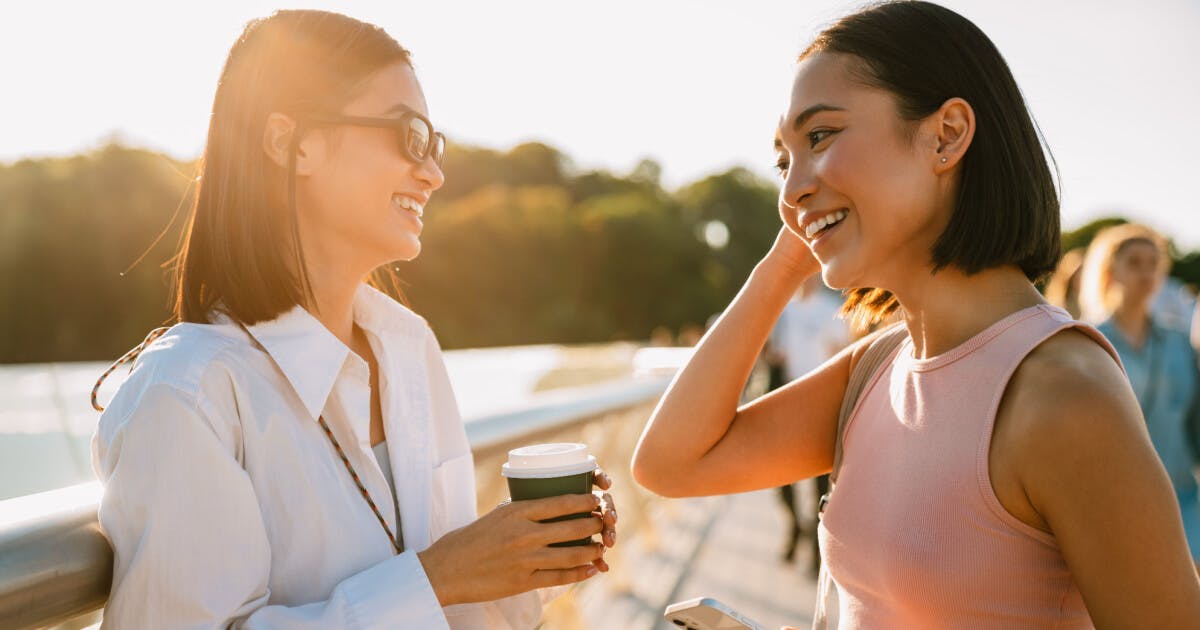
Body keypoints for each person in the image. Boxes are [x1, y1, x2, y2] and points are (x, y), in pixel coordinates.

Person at [631, 2, 1200, 627]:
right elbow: (669, 463)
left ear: (946, 134)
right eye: (783, 161)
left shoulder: (1061, 393)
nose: (790, 190)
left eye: (819, 137)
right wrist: (784, 261)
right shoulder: (878, 367)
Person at [90, 10, 616, 628]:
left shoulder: (408, 350)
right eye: (410, 134)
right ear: (291, 142)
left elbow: (451, 610)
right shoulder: (189, 395)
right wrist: (440, 575)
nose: (435, 172)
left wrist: (525, 560)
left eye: (435, 143)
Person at [1079, 223, 1200, 565]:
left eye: (1153, 262)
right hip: (1114, 502)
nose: (1146, 272)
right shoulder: (1086, 342)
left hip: (1184, 498)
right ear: (1108, 272)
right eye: (1134, 262)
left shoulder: (1179, 343)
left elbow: (1195, 420)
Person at [763, 274, 848, 567]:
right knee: (780, 479)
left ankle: (815, 547)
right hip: (787, 401)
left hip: (821, 404)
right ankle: (794, 526)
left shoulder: (831, 308)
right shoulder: (783, 311)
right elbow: (774, 355)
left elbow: (843, 355)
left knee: (819, 484)